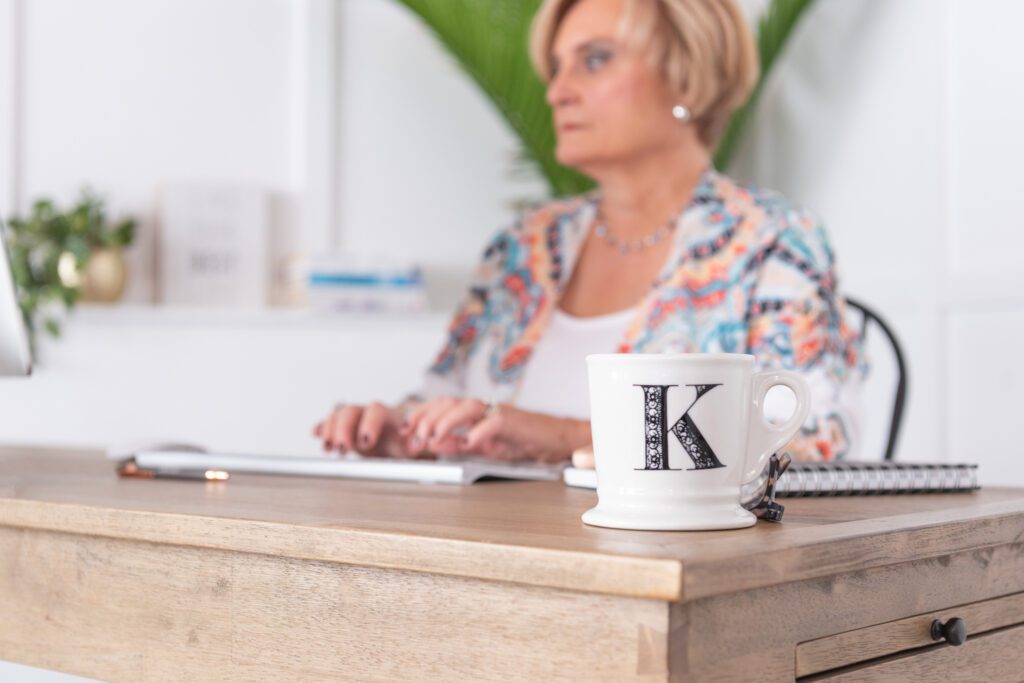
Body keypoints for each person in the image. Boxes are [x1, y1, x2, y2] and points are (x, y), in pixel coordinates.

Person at [314, 0, 863, 465]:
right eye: (555, 69)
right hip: (492, 558)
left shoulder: (773, 242)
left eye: (594, 61)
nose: (557, 92)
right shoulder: (525, 245)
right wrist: (398, 427)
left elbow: (813, 443)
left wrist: (563, 438)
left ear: (687, 77)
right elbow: (446, 400)